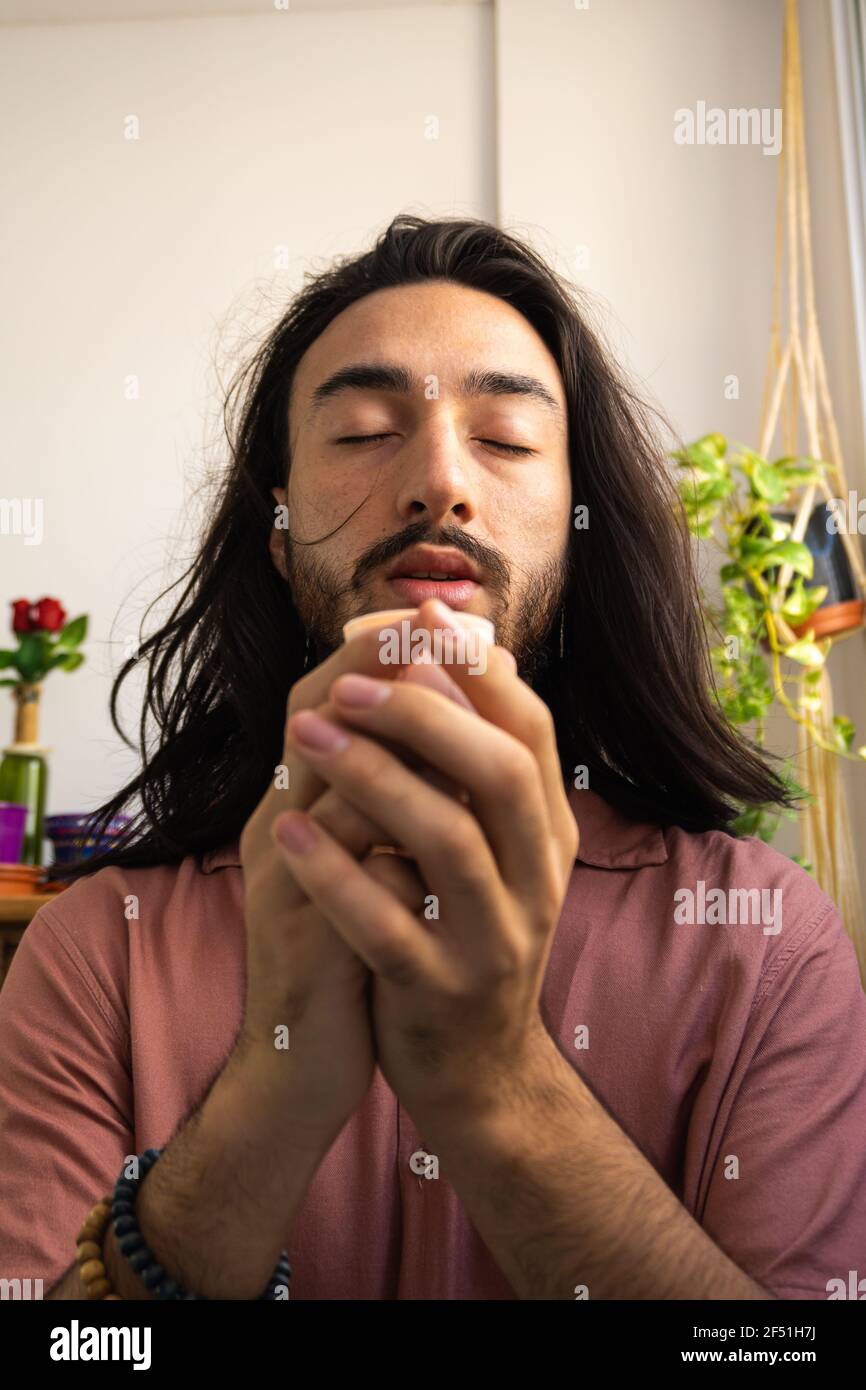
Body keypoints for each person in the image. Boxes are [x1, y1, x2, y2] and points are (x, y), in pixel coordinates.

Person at [1, 215, 864, 1301]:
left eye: (503, 437)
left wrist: (493, 1077)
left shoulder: (765, 947)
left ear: (573, 520)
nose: (438, 481)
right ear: (276, 527)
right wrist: (270, 1089)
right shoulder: (96, 957)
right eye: (363, 432)